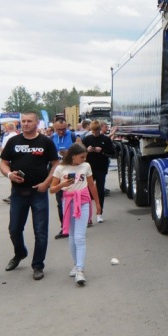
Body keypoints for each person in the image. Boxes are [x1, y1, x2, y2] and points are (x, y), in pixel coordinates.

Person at [0, 112, 58, 280]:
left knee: (40, 231)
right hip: (18, 193)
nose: (25, 124)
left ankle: (38, 265)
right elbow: (3, 163)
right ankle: (20, 253)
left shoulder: (46, 142)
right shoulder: (13, 141)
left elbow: (55, 164)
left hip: (38, 192)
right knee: (14, 229)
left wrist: (47, 183)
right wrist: (9, 174)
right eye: (23, 121)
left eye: (29, 121)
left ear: (37, 123)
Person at [49, 143, 101, 286]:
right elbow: (52, 190)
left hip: (83, 202)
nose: (84, 159)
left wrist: (97, 204)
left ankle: (80, 270)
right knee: (72, 236)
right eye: (82, 157)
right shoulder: (60, 168)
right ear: (73, 156)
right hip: (68, 202)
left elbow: (92, 186)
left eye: (85, 157)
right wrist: (62, 185)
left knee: (79, 237)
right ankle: (76, 264)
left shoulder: (86, 166)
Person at [50, 115, 79, 237]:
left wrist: (70, 154)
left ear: (67, 126)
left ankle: (77, 225)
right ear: (54, 128)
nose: (61, 132)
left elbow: (82, 153)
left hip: (72, 173)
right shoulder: (51, 138)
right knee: (60, 202)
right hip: (58, 175)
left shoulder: (73, 136)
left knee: (75, 200)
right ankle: (64, 227)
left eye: (63, 129)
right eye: (58, 129)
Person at [81, 120, 115, 222]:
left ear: (100, 130)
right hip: (89, 169)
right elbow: (80, 153)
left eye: (97, 132)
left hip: (101, 168)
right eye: (93, 132)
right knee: (87, 192)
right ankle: (88, 215)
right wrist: (87, 150)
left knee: (100, 191)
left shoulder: (106, 139)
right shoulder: (87, 139)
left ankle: (99, 213)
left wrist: (102, 150)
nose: (95, 134)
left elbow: (112, 153)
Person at [0, 121, 18, 203]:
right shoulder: (18, 136)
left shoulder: (7, 137)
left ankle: (13, 196)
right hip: (18, 159)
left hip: (9, 160)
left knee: (12, 177)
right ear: (15, 128)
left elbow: (3, 149)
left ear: (7, 128)